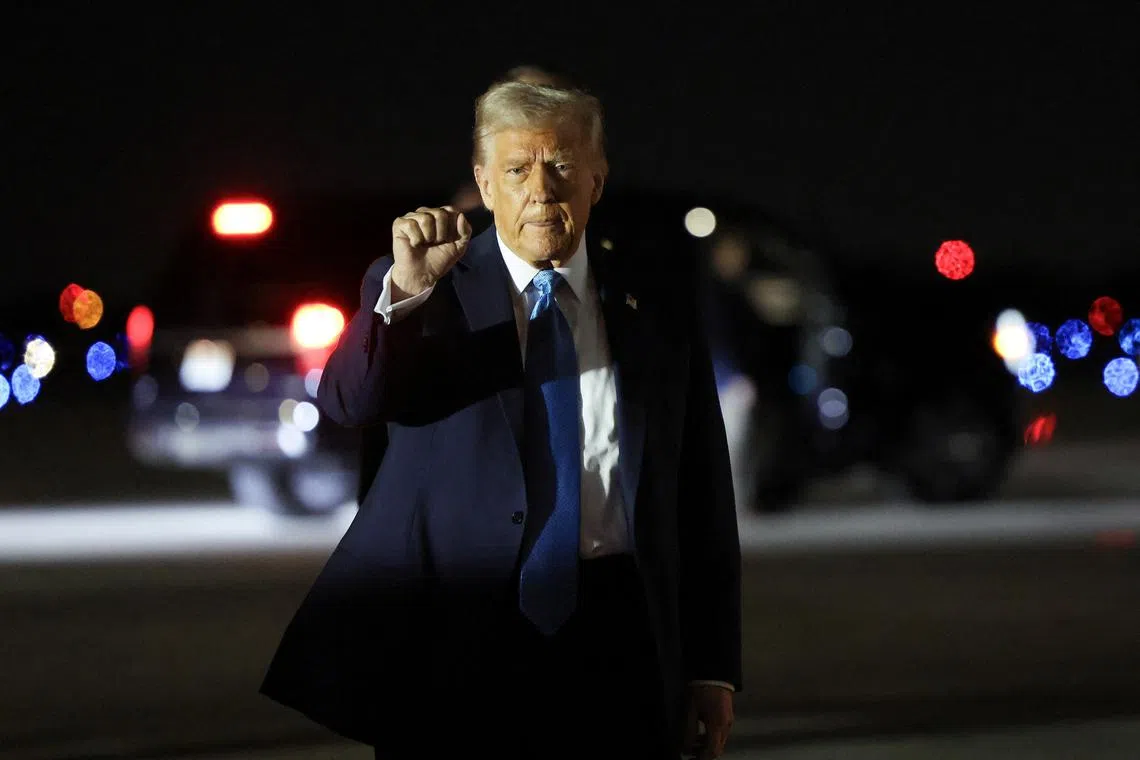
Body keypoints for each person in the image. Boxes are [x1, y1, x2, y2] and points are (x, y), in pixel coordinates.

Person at [260, 68, 742, 760]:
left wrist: (711, 665)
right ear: (484, 184)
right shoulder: (424, 290)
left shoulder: (655, 304)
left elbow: (702, 495)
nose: (541, 189)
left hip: (620, 635)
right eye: (517, 169)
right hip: (457, 639)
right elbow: (349, 401)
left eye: (562, 166)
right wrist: (403, 295)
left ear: (597, 178)